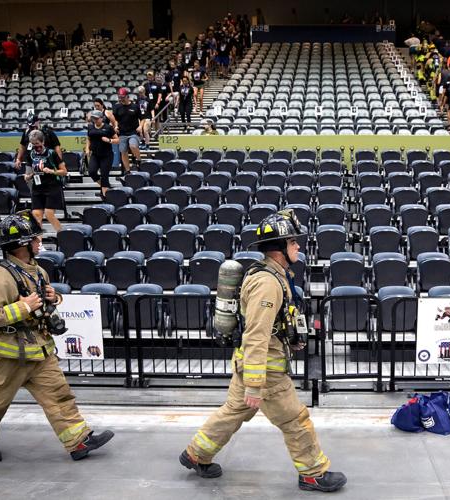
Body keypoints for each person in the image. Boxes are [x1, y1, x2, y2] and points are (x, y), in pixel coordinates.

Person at [181, 210, 347, 493]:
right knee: (295, 420)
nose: (298, 247)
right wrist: (256, 386)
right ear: (280, 247)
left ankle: (196, 453)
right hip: (265, 370)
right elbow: (256, 334)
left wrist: (291, 338)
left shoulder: (273, 275)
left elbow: (271, 326)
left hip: (250, 362)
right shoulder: (268, 283)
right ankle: (312, 473)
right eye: (293, 242)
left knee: (234, 412)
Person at [0, 214, 114, 464]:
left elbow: (40, 306)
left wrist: (54, 298)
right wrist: (22, 308)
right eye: (35, 238)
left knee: (59, 395)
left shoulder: (37, 270)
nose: (39, 241)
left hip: (38, 350)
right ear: (23, 244)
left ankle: (78, 441)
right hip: (6, 355)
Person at [22, 129, 66, 233]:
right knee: (36, 216)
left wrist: (51, 171)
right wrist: (30, 176)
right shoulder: (30, 155)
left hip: (52, 186)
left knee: (49, 213)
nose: (35, 146)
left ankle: (63, 236)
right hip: (37, 187)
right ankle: (39, 244)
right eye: (33, 144)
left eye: (37, 143)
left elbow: (64, 171)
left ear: (43, 142)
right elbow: (27, 175)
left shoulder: (52, 153)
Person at [85, 110, 118, 197]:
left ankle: (105, 196)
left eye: (97, 118)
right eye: (93, 118)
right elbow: (88, 138)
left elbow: (117, 140)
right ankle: (104, 186)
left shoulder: (108, 128)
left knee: (104, 175)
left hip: (106, 155)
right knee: (91, 172)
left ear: (101, 118)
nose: (95, 120)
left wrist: (109, 140)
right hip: (95, 154)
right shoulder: (90, 127)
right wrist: (87, 149)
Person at [112, 87, 142, 174]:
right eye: (119, 97)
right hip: (122, 133)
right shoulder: (117, 107)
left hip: (133, 132)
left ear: (127, 96)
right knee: (123, 151)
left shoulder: (135, 106)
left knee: (132, 145)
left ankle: (139, 160)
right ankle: (128, 170)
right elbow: (115, 119)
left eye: (122, 97)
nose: (121, 99)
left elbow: (142, 118)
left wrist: (140, 126)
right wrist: (116, 126)